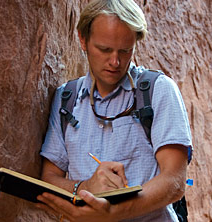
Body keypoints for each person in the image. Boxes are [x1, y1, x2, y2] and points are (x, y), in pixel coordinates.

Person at [36, 0, 193, 221]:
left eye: (125, 50)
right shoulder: (66, 99)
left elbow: (175, 181)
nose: (115, 61)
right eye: (104, 49)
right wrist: (86, 187)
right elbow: (49, 178)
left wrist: (112, 213)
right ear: (83, 39)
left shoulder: (159, 90)